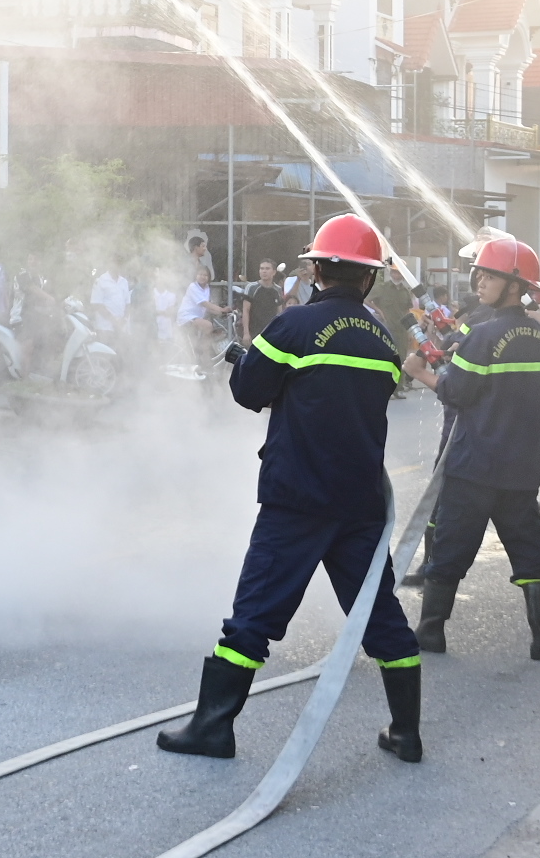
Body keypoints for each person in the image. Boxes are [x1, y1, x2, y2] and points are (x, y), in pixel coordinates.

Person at [156, 215, 422, 762]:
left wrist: (246, 362)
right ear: (368, 278)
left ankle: (212, 728)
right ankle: (407, 732)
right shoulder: (381, 337)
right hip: (361, 503)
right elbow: (355, 397)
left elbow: (249, 392)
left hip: (296, 498)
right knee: (380, 615)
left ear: (318, 268)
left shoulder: (294, 325)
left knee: (254, 615)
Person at [400, 235, 540, 662]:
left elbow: (456, 391)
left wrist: (420, 371)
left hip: (474, 466)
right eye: (479, 274)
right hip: (522, 468)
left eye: (489, 276)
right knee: (530, 552)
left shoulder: (484, 335)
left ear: (514, 284)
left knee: (451, 551)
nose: (479, 282)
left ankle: (431, 632)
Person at [178, 264, 230, 354]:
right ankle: (200, 348)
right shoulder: (193, 287)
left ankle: (202, 355)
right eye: (200, 274)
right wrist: (222, 310)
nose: (202, 277)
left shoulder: (206, 288)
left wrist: (223, 313)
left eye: (205, 275)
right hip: (187, 317)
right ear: (196, 276)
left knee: (211, 335)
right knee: (208, 326)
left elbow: (209, 307)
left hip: (196, 318)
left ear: (209, 277)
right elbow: (205, 304)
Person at [367, 261, 417, 339]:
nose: (396, 275)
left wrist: (409, 331)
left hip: (401, 331)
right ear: (390, 273)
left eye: (399, 273)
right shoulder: (382, 288)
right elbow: (365, 299)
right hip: (386, 329)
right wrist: (378, 311)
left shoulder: (406, 292)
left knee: (401, 351)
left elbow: (407, 312)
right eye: (394, 272)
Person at [240, 259, 283, 342]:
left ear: (274, 272)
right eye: (262, 268)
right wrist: (246, 333)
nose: (264, 271)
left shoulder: (278, 289)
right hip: (254, 331)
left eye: (267, 269)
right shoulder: (251, 287)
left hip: (271, 331)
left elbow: (279, 313)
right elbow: (245, 310)